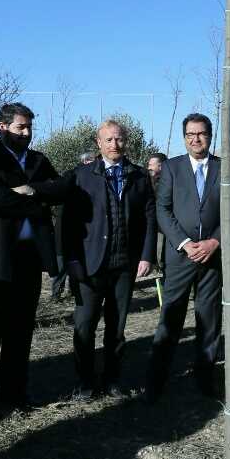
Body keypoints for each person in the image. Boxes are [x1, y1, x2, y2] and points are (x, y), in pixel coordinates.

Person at [0, 103, 62, 419]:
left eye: (29, 128)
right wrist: (36, 202)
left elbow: (62, 188)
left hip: (29, 258)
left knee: (20, 330)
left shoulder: (37, 160)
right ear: (2, 127)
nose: (26, 133)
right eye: (20, 127)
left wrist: (31, 189)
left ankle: (15, 393)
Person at [54, 119, 155, 399]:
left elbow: (149, 216)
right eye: (108, 140)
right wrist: (71, 260)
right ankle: (85, 382)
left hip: (123, 265)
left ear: (126, 142)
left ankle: (112, 380)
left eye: (119, 139)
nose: (114, 145)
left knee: (117, 327)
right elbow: (68, 223)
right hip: (88, 266)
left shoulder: (138, 176)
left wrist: (147, 255)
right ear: (98, 144)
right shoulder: (81, 176)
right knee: (85, 326)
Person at [145, 114, 230, 402]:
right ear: (183, 137)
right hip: (181, 256)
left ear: (210, 136)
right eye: (190, 134)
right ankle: (156, 382)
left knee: (209, 320)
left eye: (201, 134)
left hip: (211, 256)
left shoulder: (224, 169)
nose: (195, 139)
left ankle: (205, 378)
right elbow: (163, 210)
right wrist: (185, 244)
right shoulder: (172, 168)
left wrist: (214, 241)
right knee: (170, 318)